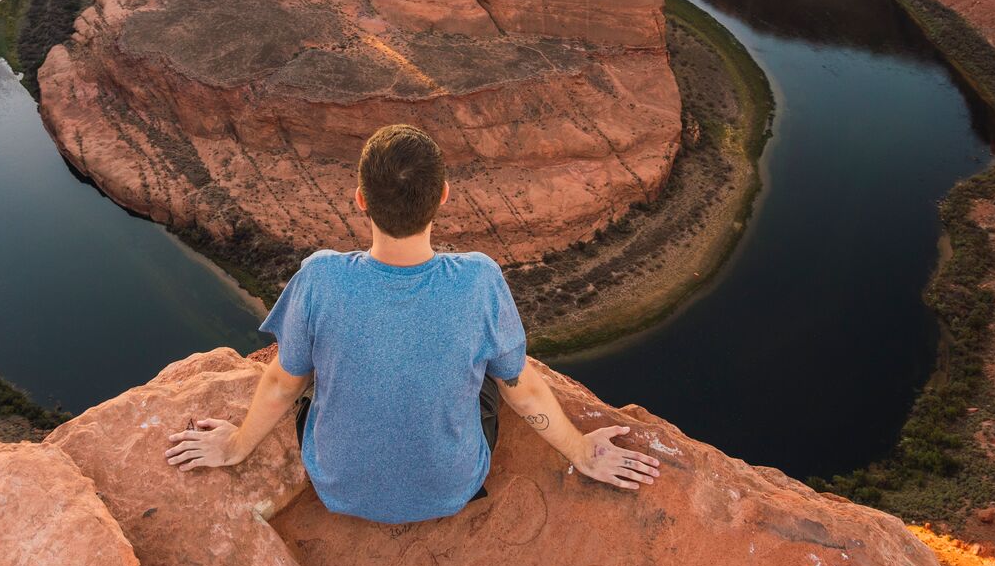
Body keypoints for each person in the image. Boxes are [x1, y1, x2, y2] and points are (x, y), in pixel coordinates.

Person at [166, 123, 661, 523]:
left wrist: (233, 447)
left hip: (337, 486)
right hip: (452, 490)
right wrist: (581, 451)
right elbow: (523, 390)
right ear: (443, 195)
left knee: (324, 359)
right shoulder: (478, 280)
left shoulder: (320, 277)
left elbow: (280, 382)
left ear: (361, 200)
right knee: (494, 363)